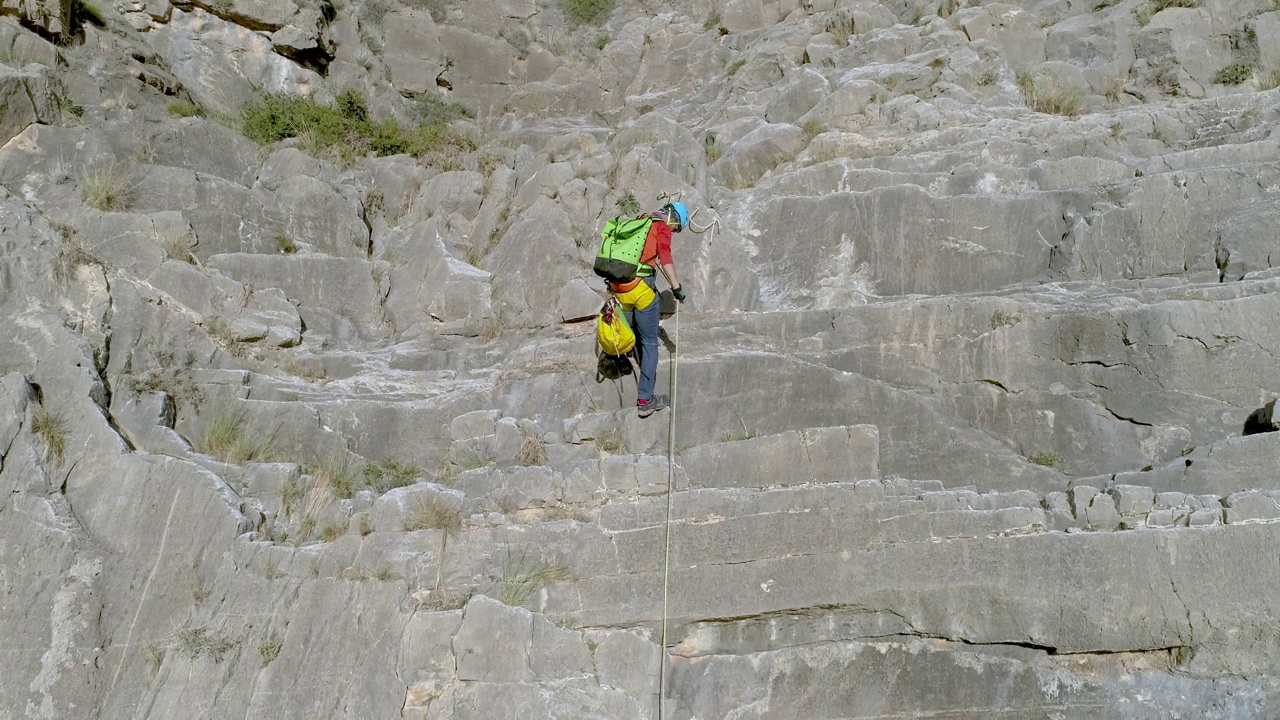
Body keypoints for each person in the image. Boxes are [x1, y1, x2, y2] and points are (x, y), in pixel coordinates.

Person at [609, 202, 688, 418]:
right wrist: (677, 288)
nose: (674, 231)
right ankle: (645, 399)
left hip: (620, 289)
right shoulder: (661, 226)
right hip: (641, 290)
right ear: (673, 219)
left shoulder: (640, 221)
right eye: (677, 228)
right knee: (650, 343)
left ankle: (619, 359)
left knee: (634, 334)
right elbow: (665, 257)